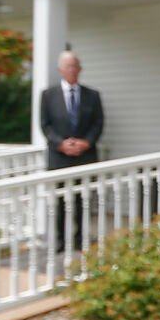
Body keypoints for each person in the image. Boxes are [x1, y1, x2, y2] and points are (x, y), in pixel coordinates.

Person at [38, 50, 103, 251]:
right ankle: (59, 239)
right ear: (61, 70)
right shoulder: (48, 95)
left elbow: (98, 124)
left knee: (82, 201)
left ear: (80, 69)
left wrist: (86, 142)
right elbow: (45, 125)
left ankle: (80, 238)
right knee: (58, 202)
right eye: (68, 66)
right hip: (59, 158)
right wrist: (61, 144)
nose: (72, 70)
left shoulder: (93, 95)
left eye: (75, 66)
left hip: (85, 156)